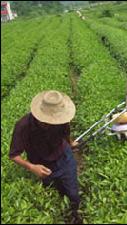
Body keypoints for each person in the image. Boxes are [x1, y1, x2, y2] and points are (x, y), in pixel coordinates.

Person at [9, 90, 82, 223]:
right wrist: (31, 167)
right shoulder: (23, 126)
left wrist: (70, 143)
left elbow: (66, 132)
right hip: (41, 164)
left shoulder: (62, 119)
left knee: (73, 194)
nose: (52, 123)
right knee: (54, 191)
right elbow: (14, 155)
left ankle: (75, 215)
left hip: (64, 157)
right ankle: (61, 213)